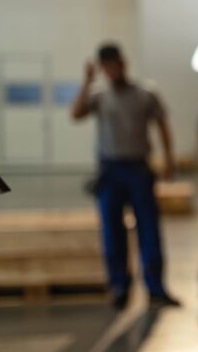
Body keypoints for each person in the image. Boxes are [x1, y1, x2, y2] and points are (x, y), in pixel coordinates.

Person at [72, 43, 180, 310]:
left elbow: (162, 124)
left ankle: (155, 287)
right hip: (110, 171)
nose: (113, 70)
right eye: (107, 66)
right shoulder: (99, 95)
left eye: (116, 64)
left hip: (139, 170)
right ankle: (119, 286)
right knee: (112, 231)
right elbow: (76, 114)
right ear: (102, 69)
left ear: (124, 63)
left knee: (149, 228)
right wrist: (86, 82)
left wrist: (168, 158)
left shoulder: (145, 93)